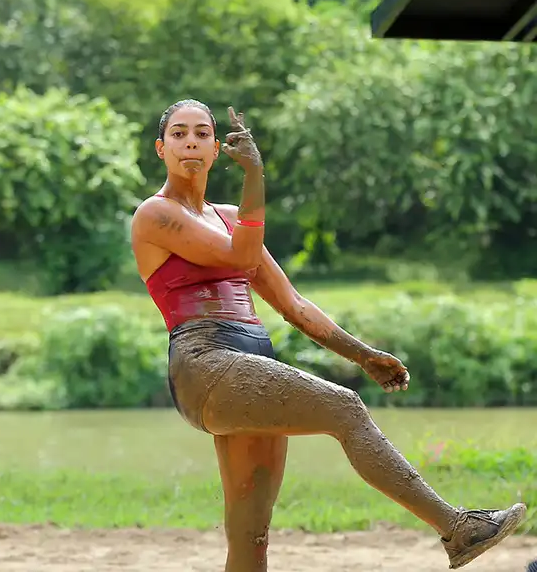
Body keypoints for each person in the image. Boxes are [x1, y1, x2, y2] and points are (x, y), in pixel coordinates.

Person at [129, 99, 527, 572]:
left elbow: (294, 306)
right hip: (206, 363)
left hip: (252, 361)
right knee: (345, 407)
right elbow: (240, 259)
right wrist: (256, 176)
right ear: (161, 148)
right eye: (178, 134)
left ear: (217, 148)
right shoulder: (155, 214)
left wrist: (363, 356)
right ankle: (458, 527)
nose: (189, 141)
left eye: (201, 133)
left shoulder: (232, 217)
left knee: (251, 537)